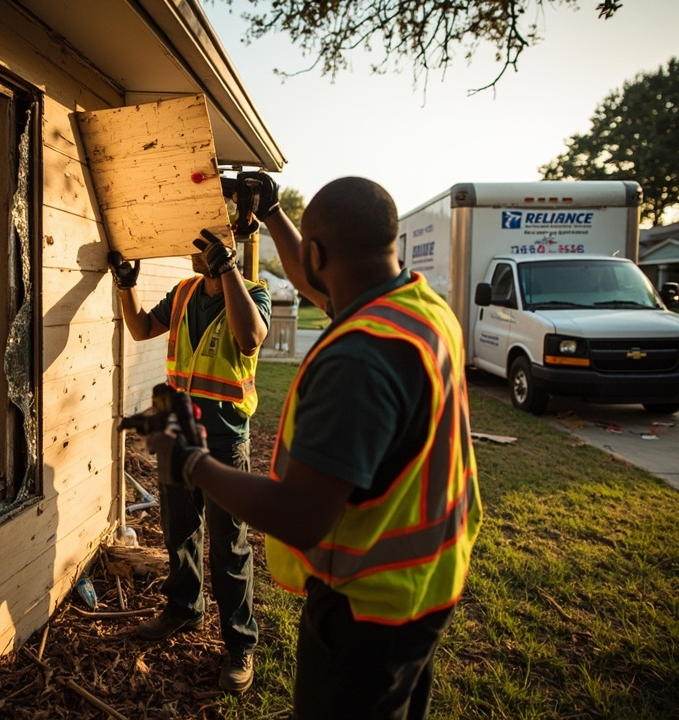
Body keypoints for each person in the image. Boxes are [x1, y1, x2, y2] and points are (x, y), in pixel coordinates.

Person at [140, 175, 482, 719]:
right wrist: (274, 212)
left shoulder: (358, 358)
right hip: (426, 583)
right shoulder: (419, 307)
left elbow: (300, 516)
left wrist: (190, 461)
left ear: (318, 251)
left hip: (366, 609)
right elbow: (318, 283)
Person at [109, 227, 272, 693]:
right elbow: (140, 328)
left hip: (223, 438)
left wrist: (229, 271)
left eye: (201, 244)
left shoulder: (253, 293)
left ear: (224, 250)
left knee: (229, 546)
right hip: (175, 429)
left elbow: (249, 339)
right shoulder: (183, 293)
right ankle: (183, 609)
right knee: (179, 530)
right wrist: (126, 285)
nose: (191, 250)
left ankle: (240, 644)